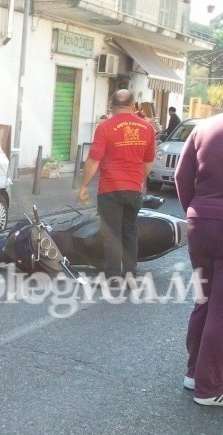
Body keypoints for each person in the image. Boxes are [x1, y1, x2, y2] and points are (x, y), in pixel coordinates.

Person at [76, 89, 156, 280]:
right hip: (134, 189)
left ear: (111, 105)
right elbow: (148, 161)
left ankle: (113, 277)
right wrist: (138, 180)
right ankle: (130, 275)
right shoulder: (147, 128)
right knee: (130, 231)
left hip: (110, 190)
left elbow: (93, 160)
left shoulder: (105, 128)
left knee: (112, 234)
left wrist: (83, 186)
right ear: (133, 105)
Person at [175, 115, 223, 407]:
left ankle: (193, 373)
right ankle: (210, 387)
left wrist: (193, 209)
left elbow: (182, 176)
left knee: (203, 300)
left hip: (199, 221)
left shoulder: (203, 127)